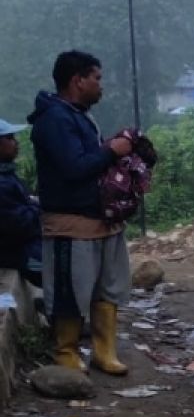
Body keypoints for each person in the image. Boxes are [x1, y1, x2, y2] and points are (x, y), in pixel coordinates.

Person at [27, 51, 134, 374]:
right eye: (97, 78)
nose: (101, 86)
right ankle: (67, 353)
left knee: (106, 287)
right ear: (78, 80)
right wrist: (110, 151)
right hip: (70, 223)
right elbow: (74, 167)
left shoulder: (78, 114)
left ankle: (104, 352)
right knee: (70, 289)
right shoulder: (54, 119)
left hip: (101, 220)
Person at [0, 118, 43, 288]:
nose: (15, 143)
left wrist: (32, 205)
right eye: (9, 138)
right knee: (51, 270)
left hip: (22, 249)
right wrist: (38, 208)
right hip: (15, 254)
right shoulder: (2, 184)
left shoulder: (7, 174)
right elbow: (19, 224)